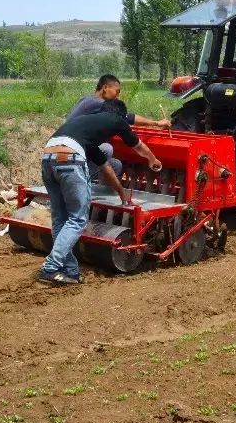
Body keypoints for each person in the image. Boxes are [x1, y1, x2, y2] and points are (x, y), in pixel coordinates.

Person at [36, 99, 163, 287]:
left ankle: (69, 270)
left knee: (60, 219)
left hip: (48, 157)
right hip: (70, 159)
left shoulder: (86, 131)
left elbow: (105, 168)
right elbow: (137, 146)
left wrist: (121, 192)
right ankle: (50, 267)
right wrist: (153, 159)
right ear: (119, 116)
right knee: (78, 219)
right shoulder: (117, 118)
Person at [67, 74, 170, 179]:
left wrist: (156, 123)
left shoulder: (86, 100)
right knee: (107, 150)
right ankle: (83, 180)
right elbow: (127, 123)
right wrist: (152, 158)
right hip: (73, 156)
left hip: (64, 148)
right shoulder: (99, 104)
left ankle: (98, 189)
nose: (118, 96)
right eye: (117, 91)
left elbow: (128, 117)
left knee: (115, 164)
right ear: (105, 88)